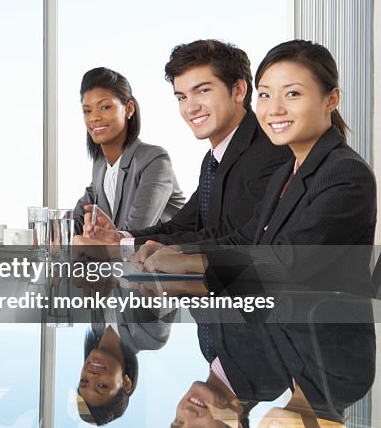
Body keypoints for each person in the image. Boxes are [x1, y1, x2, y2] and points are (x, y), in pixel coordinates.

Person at [142, 40, 377, 290]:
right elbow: (243, 239)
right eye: (265, 94)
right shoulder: (287, 172)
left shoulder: (346, 173)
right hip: (278, 322)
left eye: (292, 94)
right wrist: (175, 249)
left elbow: (287, 261)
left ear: (331, 99)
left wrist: (191, 261)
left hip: (322, 325)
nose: (274, 109)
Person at [78, 39, 292, 250]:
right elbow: (181, 226)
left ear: (238, 90)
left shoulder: (271, 150)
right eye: (182, 97)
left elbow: (232, 235)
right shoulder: (214, 158)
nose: (190, 108)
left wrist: (123, 245)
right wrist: (120, 237)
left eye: (202, 91)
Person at [72, 67, 185, 235]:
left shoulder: (154, 159)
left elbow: (136, 232)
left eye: (105, 107)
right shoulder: (100, 165)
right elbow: (78, 219)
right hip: (125, 259)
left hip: (163, 257)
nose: (93, 117)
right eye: (87, 111)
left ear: (129, 109)